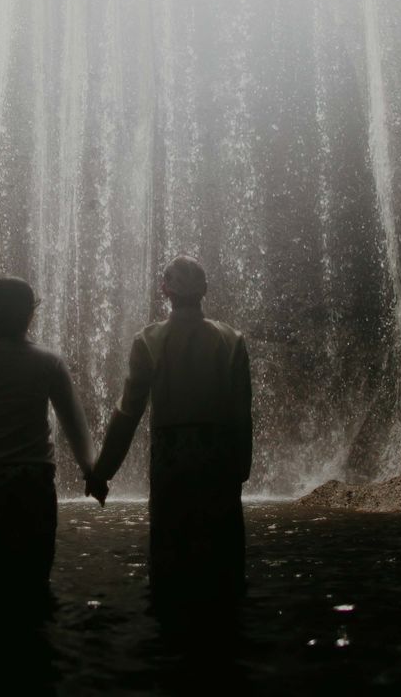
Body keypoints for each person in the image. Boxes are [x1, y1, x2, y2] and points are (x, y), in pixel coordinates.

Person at [85, 255, 253, 601]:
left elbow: (127, 413)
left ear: (165, 289)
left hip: (171, 461)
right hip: (218, 461)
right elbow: (241, 413)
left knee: (171, 556)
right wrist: (242, 467)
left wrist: (102, 472)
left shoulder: (149, 340)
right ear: (205, 289)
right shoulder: (232, 340)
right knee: (223, 560)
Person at [0, 276, 95, 603]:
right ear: (30, 313)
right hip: (32, 478)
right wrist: (91, 472)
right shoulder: (49, 361)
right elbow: (74, 423)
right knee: (33, 574)